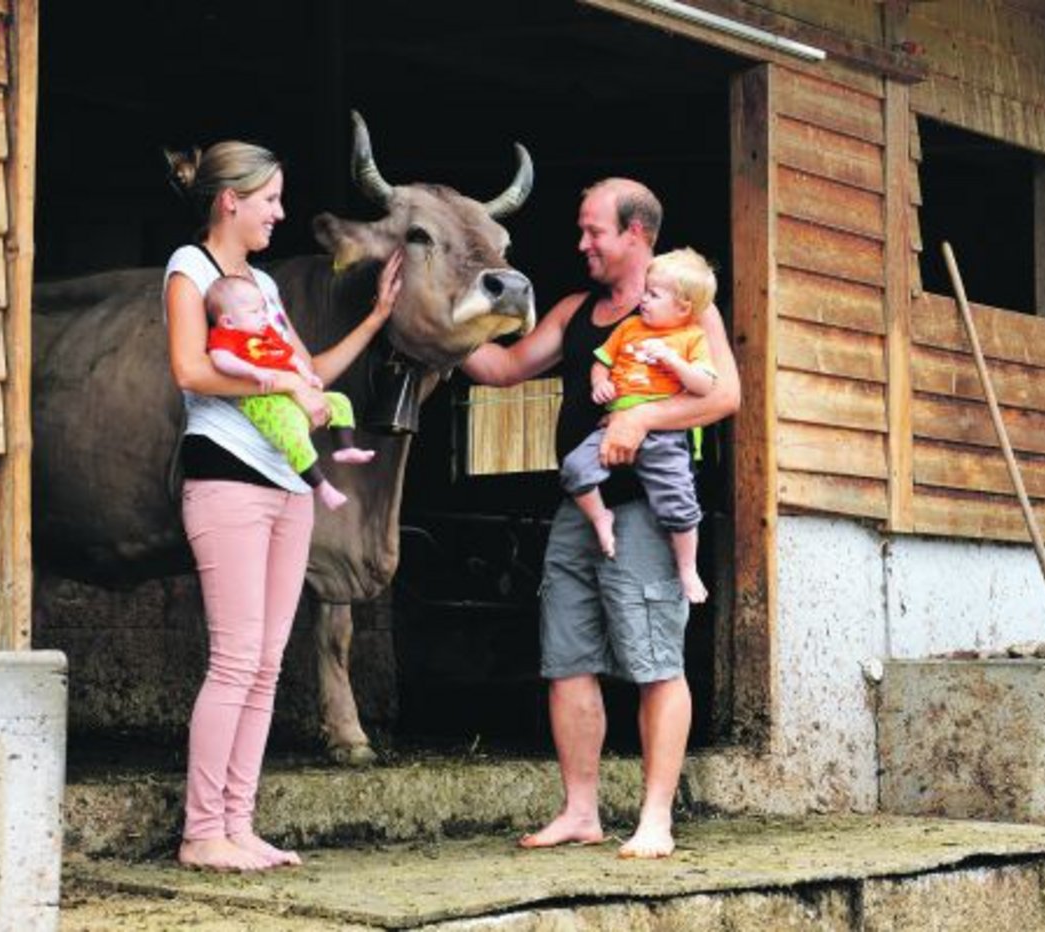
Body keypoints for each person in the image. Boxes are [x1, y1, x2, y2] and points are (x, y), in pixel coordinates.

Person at [460, 178, 739, 859]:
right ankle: (581, 811)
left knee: (655, 662)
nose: (581, 243)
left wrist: (643, 415)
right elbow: (500, 369)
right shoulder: (577, 310)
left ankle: (655, 819)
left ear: (636, 236)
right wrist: (434, 325)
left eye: (594, 232)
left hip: (647, 509)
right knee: (566, 658)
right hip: (578, 508)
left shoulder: (687, 311)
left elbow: (724, 395)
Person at [163, 140, 403, 872]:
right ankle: (202, 832)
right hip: (226, 477)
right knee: (235, 660)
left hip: (287, 485)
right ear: (230, 201)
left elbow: (310, 374)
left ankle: (239, 825)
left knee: (266, 666)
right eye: (270, 199)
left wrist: (376, 320)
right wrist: (278, 391)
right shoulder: (191, 269)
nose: (281, 212)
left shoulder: (262, 287)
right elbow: (191, 368)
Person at [559, 247, 720, 603]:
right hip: (611, 423)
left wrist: (675, 362)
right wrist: (599, 382)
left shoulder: (692, 337)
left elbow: (706, 386)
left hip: (664, 436)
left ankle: (687, 568)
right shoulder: (629, 327)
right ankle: (600, 518)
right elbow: (601, 361)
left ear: (683, 307)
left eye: (653, 294)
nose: (643, 300)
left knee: (680, 504)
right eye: (645, 291)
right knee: (573, 469)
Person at [204, 274, 377, 512]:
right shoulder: (228, 336)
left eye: (264, 309)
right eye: (255, 312)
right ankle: (322, 486)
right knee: (292, 433)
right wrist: (252, 371)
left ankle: (344, 447)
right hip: (262, 399)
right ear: (228, 321)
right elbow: (219, 359)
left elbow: (291, 356)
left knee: (339, 401)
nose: (264, 316)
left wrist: (307, 376)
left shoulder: (268, 335)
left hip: (292, 393)